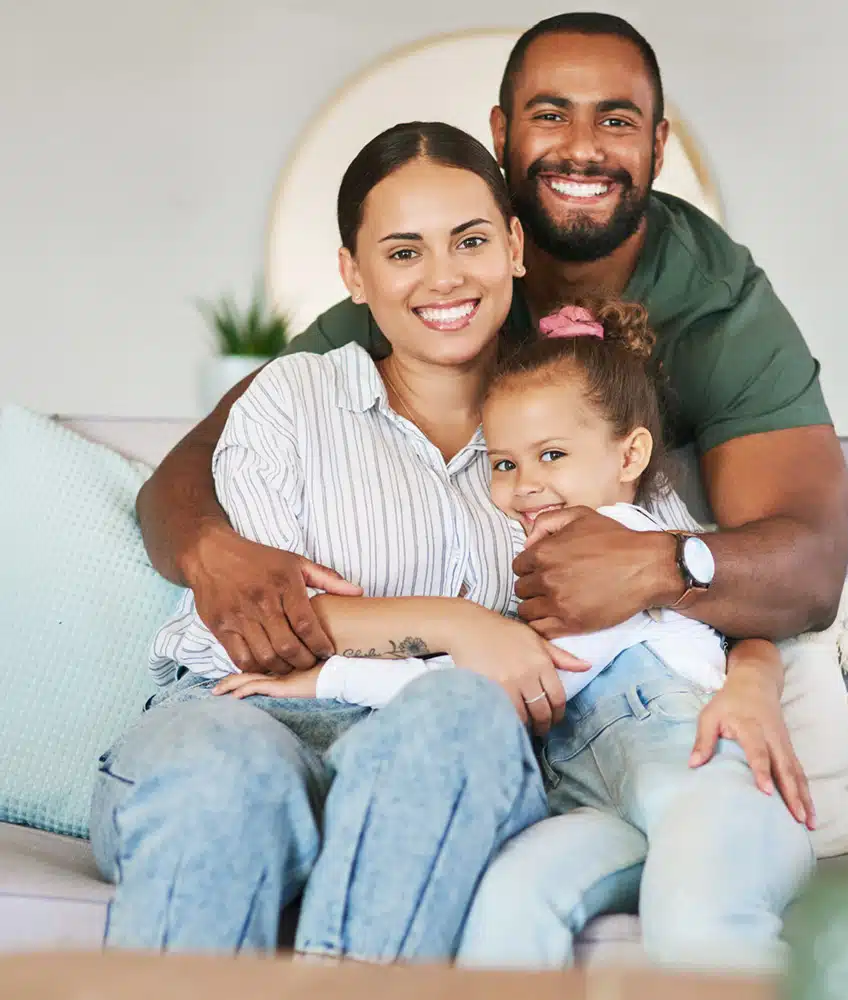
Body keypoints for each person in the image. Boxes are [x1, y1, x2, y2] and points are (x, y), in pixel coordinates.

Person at [135, 11, 848, 797]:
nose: (582, 147)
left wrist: (657, 567)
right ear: (503, 131)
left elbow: (809, 569)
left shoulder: (719, 309)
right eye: (550, 115)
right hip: (416, 701)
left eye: (615, 119)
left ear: (657, 143)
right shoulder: (425, 291)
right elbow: (200, 458)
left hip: (581, 709)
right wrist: (212, 548)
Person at [90, 122, 585, 959]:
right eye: (402, 252)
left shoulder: (573, 422)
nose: (443, 277)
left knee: (462, 711)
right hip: (237, 717)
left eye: (469, 240)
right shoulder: (295, 395)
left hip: (437, 755)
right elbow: (267, 629)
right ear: (354, 275)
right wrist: (466, 624)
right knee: (224, 777)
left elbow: (646, 587)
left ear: (514, 246)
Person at [211, 297, 815, 971]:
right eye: (503, 464)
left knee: (696, 924)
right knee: (509, 906)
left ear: (631, 453)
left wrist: (319, 680)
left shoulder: (630, 547)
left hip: (710, 787)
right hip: (603, 804)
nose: (526, 486)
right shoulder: (545, 571)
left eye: (552, 455)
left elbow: (503, 683)